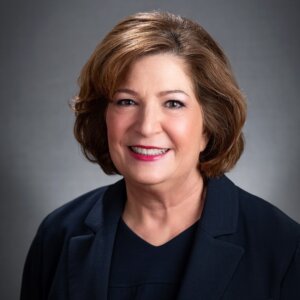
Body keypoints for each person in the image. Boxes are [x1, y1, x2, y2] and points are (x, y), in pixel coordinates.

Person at [21, 11, 300, 300]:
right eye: (127, 101)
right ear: (102, 117)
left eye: (173, 103)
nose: (146, 126)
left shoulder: (282, 245)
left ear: (210, 125)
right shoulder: (57, 236)